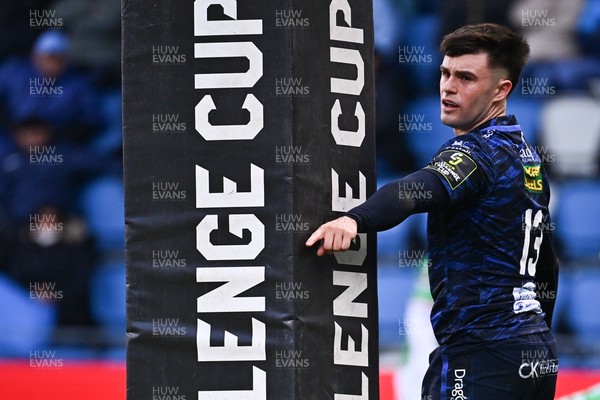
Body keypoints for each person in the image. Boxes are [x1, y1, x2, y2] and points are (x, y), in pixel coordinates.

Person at [306, 23, 559, 399]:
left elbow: (417, 190)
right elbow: (547, 265)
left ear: (501, 90)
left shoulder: (475, 152)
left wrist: (354, 219)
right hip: (533, 354)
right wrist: (533, 334)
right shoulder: (527, 159)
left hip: (479, 356)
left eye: (466, 77)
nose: (449, 86)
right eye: (445, 73)